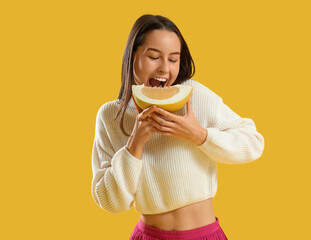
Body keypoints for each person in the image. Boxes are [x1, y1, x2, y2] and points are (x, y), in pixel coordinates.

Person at [91, 14, 265, 240]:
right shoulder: (111, 117)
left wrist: (199, 135)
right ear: (132, 56)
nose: (164, 68)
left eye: (173, 59)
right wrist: (135, 145)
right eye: (154, 57)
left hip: (204, 235)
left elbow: (254, 142)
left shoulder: (195, 96)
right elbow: (110, 202)